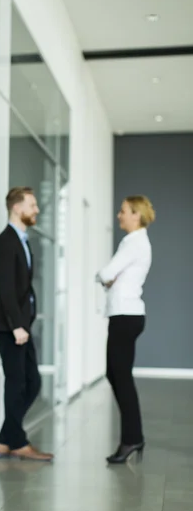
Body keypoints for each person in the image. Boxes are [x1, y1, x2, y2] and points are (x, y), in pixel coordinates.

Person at [0, 187, 53, 462]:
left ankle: (6, 440)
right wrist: (17, 325)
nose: (36, 209)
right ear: (17, 207)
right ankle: (17, 442)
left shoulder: (22, 240)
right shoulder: (6, 242)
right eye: (32, 204)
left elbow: (23, 287)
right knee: (17, 383)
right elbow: (5, 288)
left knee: (32, 382)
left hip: (20, 325)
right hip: (10, 326)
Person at [97, 195, 155, 464]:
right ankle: (134, 436)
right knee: (118, 374)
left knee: (120, 376)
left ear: (136, 214)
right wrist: (110, 277)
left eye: (123, 211)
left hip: (125, 315)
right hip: (127, 315)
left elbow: (106, 273)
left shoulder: (134, 242)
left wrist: (107, 277)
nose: (119, 215)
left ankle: (132, 439)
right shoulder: (137, 242)